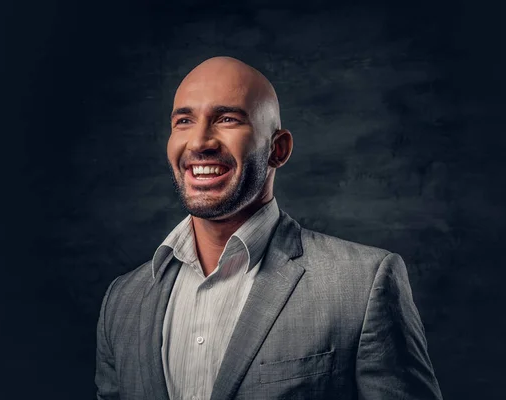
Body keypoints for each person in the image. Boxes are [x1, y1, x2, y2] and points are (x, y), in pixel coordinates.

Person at [95, 56, 443, 400]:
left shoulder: (364, 285)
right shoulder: (122, 301)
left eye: (227, 119)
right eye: (184, 120)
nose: (200, 142)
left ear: (278, 149)